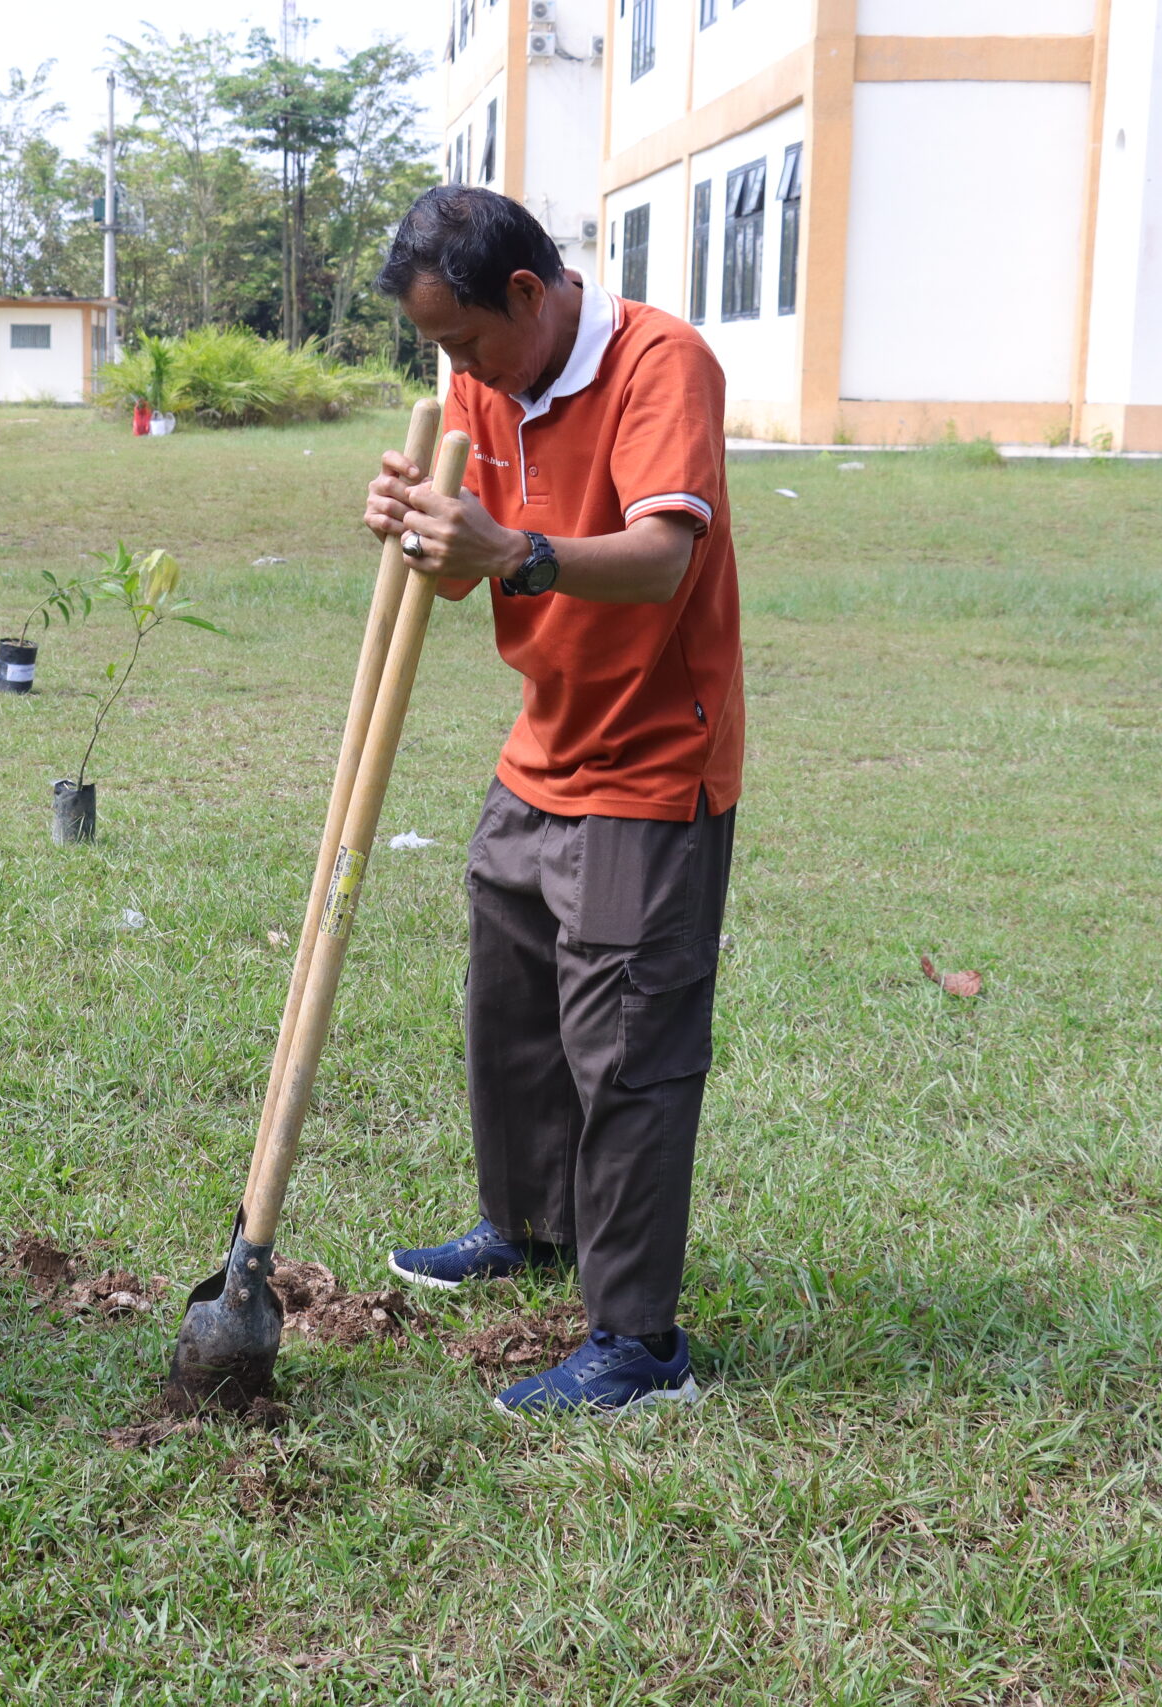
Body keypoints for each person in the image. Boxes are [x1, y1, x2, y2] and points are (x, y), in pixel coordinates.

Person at [363, 185, 744, 1417]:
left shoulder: (659, 364)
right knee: (512, 1008)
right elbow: (463, 577)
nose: (458, 370)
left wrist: (512, 552)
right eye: (440, 350)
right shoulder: (487, 381)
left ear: (527, 294)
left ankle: (638, 1346)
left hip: (653, 758)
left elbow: (662, 558)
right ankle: (526, 1225)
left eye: (467, 341)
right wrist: (423, 532)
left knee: (625, 1049)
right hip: (542, 746)